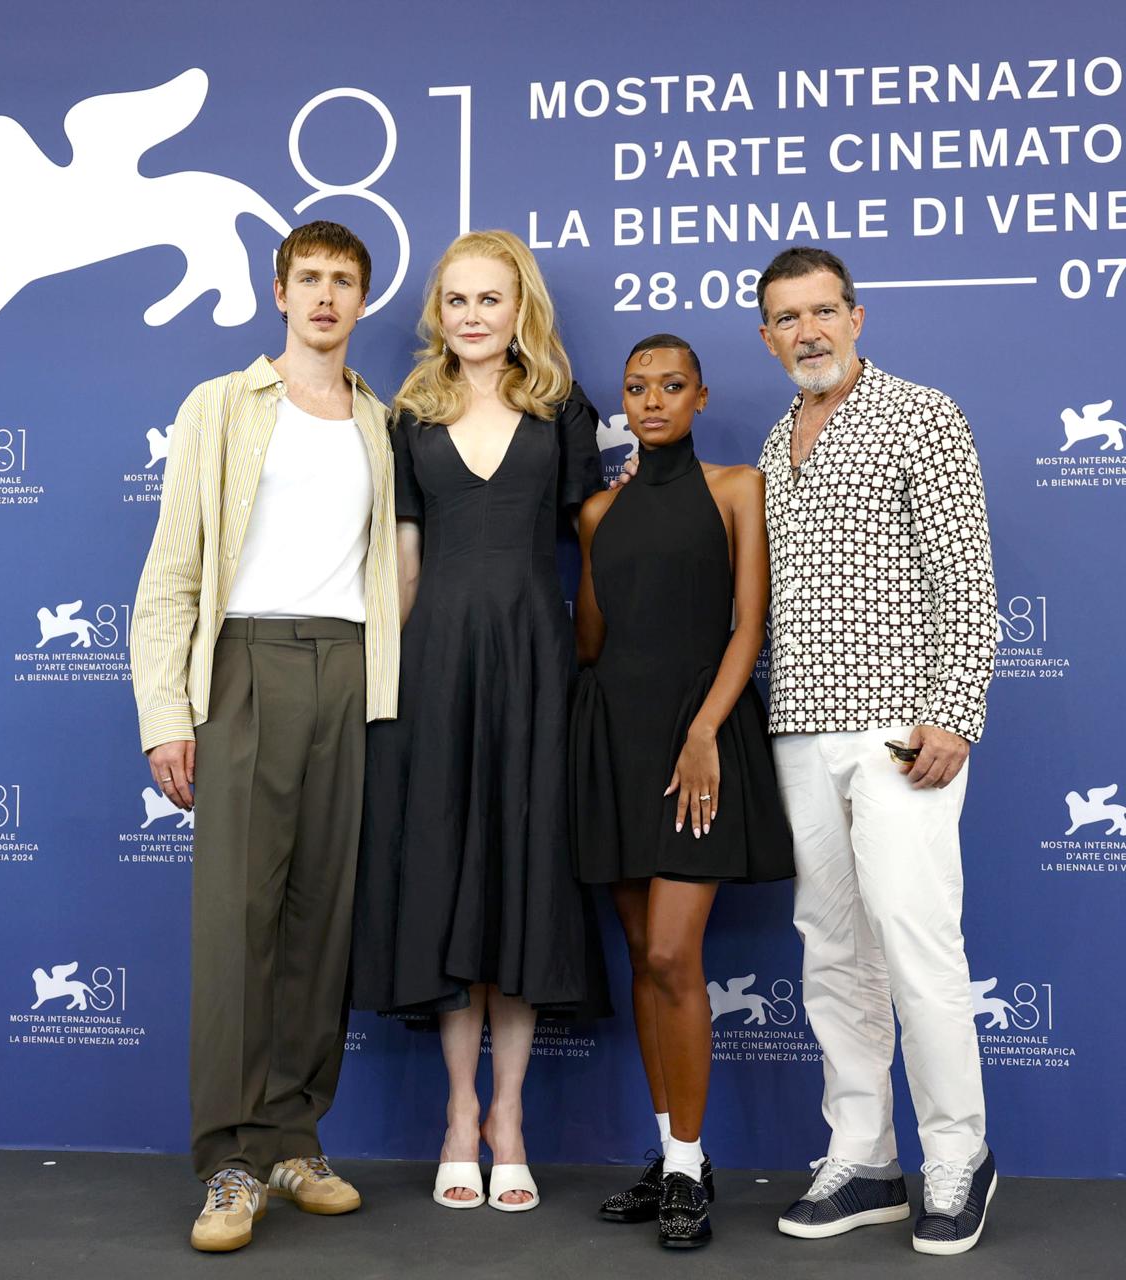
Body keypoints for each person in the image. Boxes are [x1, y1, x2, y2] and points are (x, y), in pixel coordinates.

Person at [130, 221, 398, 1253]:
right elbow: (171, 573)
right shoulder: (221, 406)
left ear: (361, 300)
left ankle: (294, 1136)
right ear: (277, 290)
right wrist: (166, 716)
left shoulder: (377, 416)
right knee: (236, 923)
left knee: (319, 918)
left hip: (349, 669)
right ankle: (228, 1161)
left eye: (344, 281)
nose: (326, 296)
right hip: (241, 665)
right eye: (310, 279)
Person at [351, 229, 609, 1214]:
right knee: (452, 882)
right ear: (437, 312)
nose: (470, 315)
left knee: (523, 880)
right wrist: (386, 683)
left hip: (537, 667)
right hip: (437, 671)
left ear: (520, 307)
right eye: (455, 300)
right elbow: (404, 563)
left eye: (489, 299)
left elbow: (596, 556)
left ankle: (512, 1116)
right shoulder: (411, 414)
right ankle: (458, 1115)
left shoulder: (562, 409)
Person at [752, 246, 1001, 1255]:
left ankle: (959, 1154)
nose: (807, 331)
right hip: (800, 724)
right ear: (766, 335)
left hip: (903, 726)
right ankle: (863, 1156)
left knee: (916, 944)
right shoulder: (776, 441)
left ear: (858, 316)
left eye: (823, 312)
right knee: (834, 953)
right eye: (786, 318)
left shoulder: (921, 413)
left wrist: (954, 708)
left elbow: (968, 575)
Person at [570, 334, 794, 1249]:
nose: (653, 400)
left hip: (701, 739)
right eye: (636, 389)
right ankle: (671, 1158)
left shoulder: (738, 488)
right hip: (614, 739)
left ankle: (693, 1166)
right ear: (623, 406)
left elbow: (751, 624)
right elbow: (592, 640)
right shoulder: (595, 514)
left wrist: (704, 730)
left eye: (671, 386)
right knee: (638, 951)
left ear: (701, 396)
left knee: (671, 957)